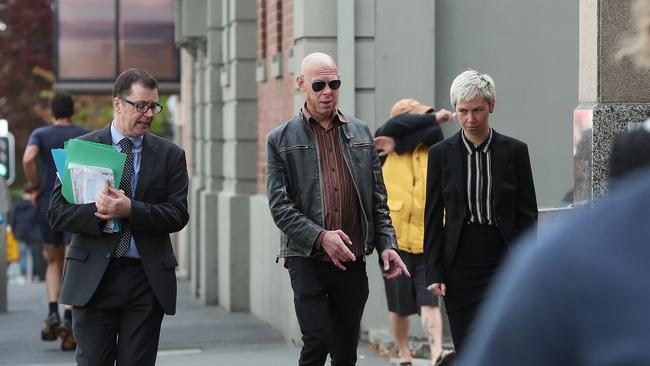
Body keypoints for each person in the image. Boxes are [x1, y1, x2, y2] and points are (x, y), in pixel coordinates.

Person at [266, 52, 410, 366]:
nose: (327, 91)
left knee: (345, 351)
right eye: (319, 85)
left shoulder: (360, 133)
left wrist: (388, 245)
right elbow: (280, 206)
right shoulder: (280, 139)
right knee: (317, 341)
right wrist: (321, 237)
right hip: (307, 258)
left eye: (334, 83)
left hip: (352, 258)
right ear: (301, 84)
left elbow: (378, 200)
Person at [47, 68, 189, 365]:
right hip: (93, 279)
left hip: (145, 279)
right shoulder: (84, 149)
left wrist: (130, 210)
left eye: (154, 106)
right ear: (117, 104)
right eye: (141, 106)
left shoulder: (170, 155)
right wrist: (98, 211)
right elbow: (57, 213)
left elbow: (177, 214)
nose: (149, 114)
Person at [424, 70, 538, 356]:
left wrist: (530, 263)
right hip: (458, 262)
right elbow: (433, 216)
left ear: (492, 106)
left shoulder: (514, 151)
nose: (470, 119)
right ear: (455, 111)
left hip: (503, 259)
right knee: (466, 347)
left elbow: (528, 215)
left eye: (478, 110)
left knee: (503, 344)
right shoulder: (441, 154)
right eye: (462, 111)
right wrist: (433, 271)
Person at [374, 99, 455, 366]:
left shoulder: (432, 147)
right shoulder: (384, 148)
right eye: (419, 118)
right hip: (394, 241)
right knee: (399, 305)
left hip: (428, 239)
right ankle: (404, 353)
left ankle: (436, 354)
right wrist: (431, 119)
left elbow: (432, 131)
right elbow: (395, 125)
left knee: (430, 299)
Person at [23, 91, 89, 350]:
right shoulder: (84, 133)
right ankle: (69, 316)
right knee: (72, 259)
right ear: (72, 110)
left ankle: (52, 311)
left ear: (51, 111)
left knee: (53, 260)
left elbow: (28, 157)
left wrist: (36, 185)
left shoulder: (40, 134)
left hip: (49, 203)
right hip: (75, 203)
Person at [9, 186, 46, 282]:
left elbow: (13, 219)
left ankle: (24, 275)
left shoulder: (17, 205)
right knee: (35, 256)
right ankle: (35, 275)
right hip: (34, 234)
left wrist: (13, 231)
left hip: (20, 233)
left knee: (22, 255)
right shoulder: (36, 205)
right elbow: (40, 219)